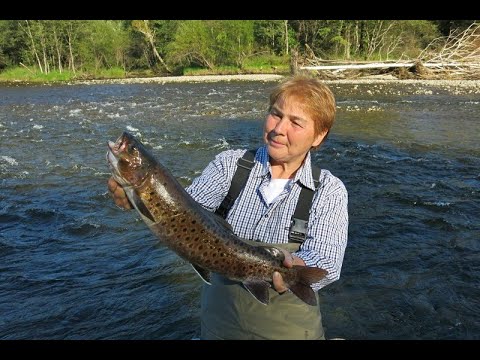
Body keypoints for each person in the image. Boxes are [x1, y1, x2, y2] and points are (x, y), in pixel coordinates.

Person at [107, 75, 349, 340]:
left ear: (319, 135)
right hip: (220, 328)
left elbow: (327, 262)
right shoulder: (229, 165)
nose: (279, 128)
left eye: (295, 122)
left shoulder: (329, 190)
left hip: (289, 330)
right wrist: (132, 199)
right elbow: (186, 209)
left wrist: (296, 265)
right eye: (275, 114)